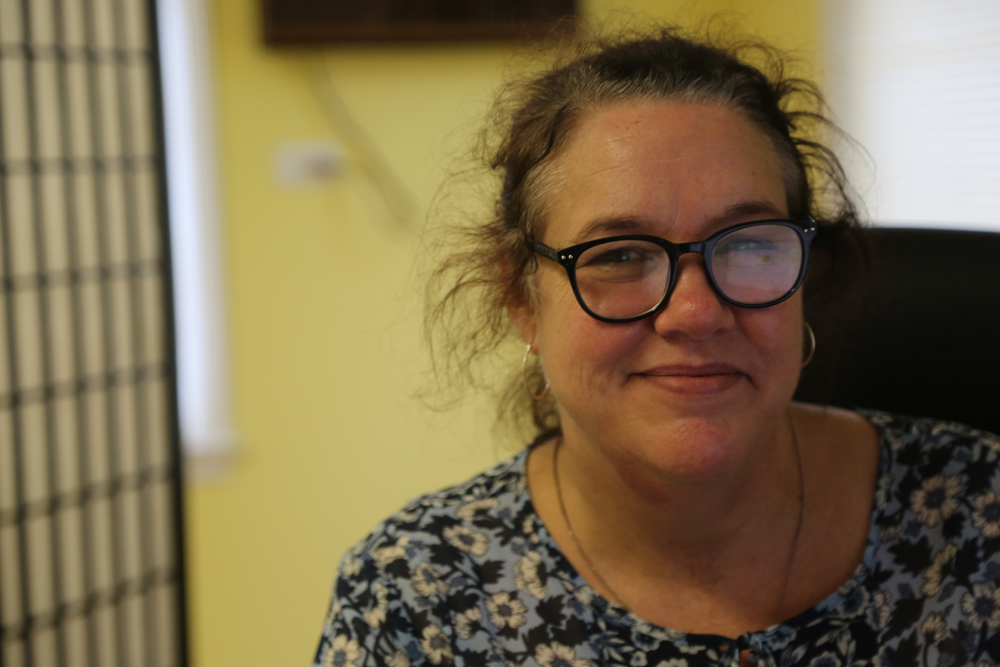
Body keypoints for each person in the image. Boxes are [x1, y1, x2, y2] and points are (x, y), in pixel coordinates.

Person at [313, 27, 1000, 667]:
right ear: (522, 300)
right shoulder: (414, 598)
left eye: (748, 244)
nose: (696, 313)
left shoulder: (979, 516)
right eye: (618, 255)